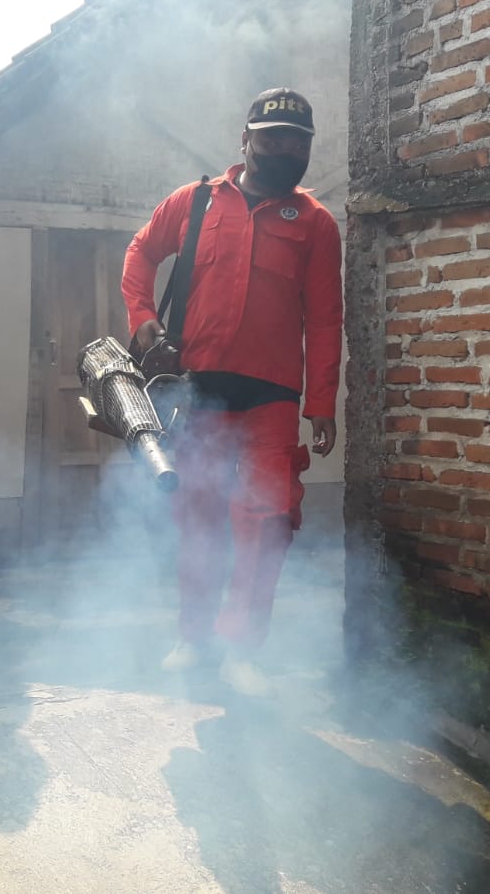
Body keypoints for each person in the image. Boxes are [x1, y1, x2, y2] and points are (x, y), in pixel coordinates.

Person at [120, 88, 344, 697]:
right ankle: (193, 638)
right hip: (198, 392)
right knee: (198, 517)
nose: (286, 149)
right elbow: (140, 254)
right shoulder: (194, 203)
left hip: (273, 398)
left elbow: (326, 319)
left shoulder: (316, 223)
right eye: (272, 138)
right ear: (245, 140)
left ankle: (242, 647)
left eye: (297, 141)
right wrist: (143, 317)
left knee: (266, 521)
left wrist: (322, 402)